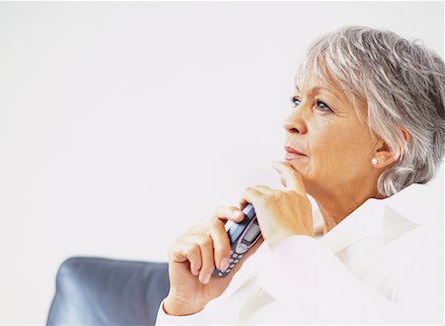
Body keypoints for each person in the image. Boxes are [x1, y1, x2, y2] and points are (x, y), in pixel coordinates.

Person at [156, 26, 445, 324]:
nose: (290, 121)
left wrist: (292, 246)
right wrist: (186, 308)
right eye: (297, 101)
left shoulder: (430, 248)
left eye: (322, 105)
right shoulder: (266, 246)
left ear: (387, 145)